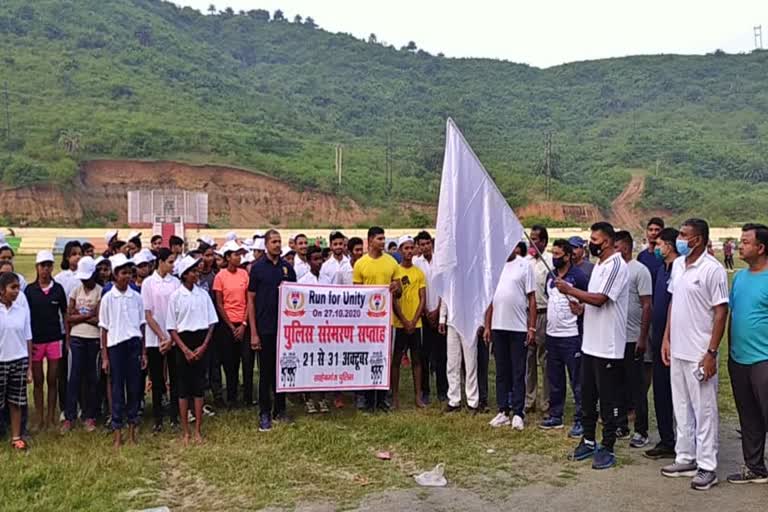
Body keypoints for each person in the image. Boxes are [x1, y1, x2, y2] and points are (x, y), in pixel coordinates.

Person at [661, 218, 728, 491]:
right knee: (682, 407)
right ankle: (685, 456)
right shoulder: (678, 265)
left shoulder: (713, 269)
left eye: (684, 235)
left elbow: (721, 311)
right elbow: (673, 303)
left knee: (705, 410)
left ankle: (707, 466)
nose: (680, 238)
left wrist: (711, 352)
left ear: (697, 239)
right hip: (677, 349)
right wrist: (666, 338)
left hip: (700, 352)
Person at [556, 221, 628, 470]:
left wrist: (571, 290)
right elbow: (593, 302)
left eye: (594, 240)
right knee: (587, 396)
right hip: (590, 343)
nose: (590, 243)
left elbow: (601, 299)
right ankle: (587, 440)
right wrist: (581, 308)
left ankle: (607, 446)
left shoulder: (617, 265)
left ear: (606, 241)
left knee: (606, 400)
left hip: (608, 345)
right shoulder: (599, 265)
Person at [727, 223, 768, 484]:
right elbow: (733, 315)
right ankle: (755, 468)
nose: (740, 246)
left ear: (761, 247)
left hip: (763, 360)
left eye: (746, 242)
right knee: (749, 415)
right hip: (738, 359)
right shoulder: (740, 277)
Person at [166, 255, 218, 445]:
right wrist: (185, 349)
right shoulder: (175, 296)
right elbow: (171, 327)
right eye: (194, 271)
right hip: (183, 342)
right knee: (183, 389)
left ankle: (197, 430)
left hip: (201, 340)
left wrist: (203, 346)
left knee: (198, 388)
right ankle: (186, 432)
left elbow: (212, 323)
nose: (197, 274)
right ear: (185, 275)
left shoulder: (203, 294)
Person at [248, 230, 297, 431]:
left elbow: (297, 297)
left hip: (285, 330)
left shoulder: (287, 268)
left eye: (279, 242)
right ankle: (265, 413)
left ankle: (280, 409)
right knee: (266, 373)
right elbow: (250, 300)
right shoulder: (257, 268)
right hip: (264, 328)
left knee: (282, 371)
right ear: (266, 244)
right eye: (274, 242)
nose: (277, 245)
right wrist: (253, 331)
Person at [484, 244, 536, 430]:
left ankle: (518, 413)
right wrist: (488, 326)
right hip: (498, 327)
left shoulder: (525, 266)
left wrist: (531, 327)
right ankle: (503, 411)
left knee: (518, 371)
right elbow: (490, 299)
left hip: (518, 328)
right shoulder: (494, 267)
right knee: (501, 371)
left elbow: (531, 299)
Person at [540, 239, 588, 436]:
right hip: (553, 335)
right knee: (555, 378)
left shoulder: (579, 276)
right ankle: (555, 415)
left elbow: (589, 299)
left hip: (572, 336)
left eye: (559, 255)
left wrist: (581, 309)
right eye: (553, 253)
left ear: (568, 256)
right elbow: (548, 295)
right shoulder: (550, 276)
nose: (554, 257)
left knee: (577, 380)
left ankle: (580, 419)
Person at [99, 254, 147, 448]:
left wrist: (143, 353)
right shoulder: (108, 298)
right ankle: (118, 433)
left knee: (134, 389)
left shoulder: (136, 297)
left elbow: (142, 325)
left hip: (133, 344)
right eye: (123, 273)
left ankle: (132, 432)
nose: (127, 276)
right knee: (117, 389)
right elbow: (104, 328)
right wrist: (104, 357)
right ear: (115, 275)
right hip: (116, 346)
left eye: (129, 273)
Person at [353, 227, 402, 412]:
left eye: (384, 238)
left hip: (385, 321)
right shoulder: (360, 264)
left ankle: (382, 398)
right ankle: (366, 398)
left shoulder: (391, 263)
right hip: (366, 322)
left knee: (383, 359)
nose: (383, 242)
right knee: (366, 358)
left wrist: (396, 289)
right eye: (380, 238)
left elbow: (399, 292)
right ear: (370, 240)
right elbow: (356, 293)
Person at [614, 231, 652, 448]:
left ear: (626, 247)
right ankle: (621, 424)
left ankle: (641, 430)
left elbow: (647, 305)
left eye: (616, 247)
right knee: (617, 384)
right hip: (615, 338)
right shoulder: (613, 270)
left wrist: (642, 337)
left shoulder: (639, 271)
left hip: (633, 338)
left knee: (637, 386)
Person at [644, 228, 679, 460]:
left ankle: (687, 442)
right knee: (661, 392)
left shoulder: (681, 270)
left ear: (669, 245)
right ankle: (667, 440)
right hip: (658, 341)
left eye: (659, 244)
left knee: (681, 396)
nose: (656, 248)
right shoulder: (660, 270)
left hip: (676, 342)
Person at [25, 251, 68, 431]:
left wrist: (67, 336)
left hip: (54, 339)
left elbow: (64, 313)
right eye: (43, 265)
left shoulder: (58, 289)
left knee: (52, 379)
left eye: (49, 265)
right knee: (38, 380)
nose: (46, 269)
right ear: (37, 267)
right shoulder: (29, 290)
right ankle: (39, 418)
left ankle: (50, 417)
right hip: (36, 341)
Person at [141, 248, 180, 432]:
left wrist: (171, 339)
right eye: (170, 262)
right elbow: (148, 315)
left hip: (173, 338)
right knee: (157, 380)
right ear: (161, 262)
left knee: (175, 377)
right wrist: (163, 337)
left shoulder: (176, 283)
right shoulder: (148, 283)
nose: (173, 266)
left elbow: (178, 312)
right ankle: (158, 418)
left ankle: (174, 416)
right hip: (154, 338)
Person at [62, 256, 101, 433]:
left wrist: (79, 315)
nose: (85, 281)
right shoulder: (76, 291)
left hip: (93, 339)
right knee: (74, 377)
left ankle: (89, 415)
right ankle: (69, 416)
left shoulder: (100, 292)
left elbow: (99, 319)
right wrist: (87, 315)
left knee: (91, 378)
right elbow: (68, 317)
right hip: (77, 338)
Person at [212, 241, 252, 409]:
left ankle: (249, 397)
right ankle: (232, 397)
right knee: (230, 363)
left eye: (240, 254)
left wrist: (243, 324)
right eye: (235, 255)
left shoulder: (244, 274)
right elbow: (219, 303)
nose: (239, 257)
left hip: (244, 322)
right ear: (228, 257)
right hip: (227, 325)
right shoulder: (220, 276)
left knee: (248, 362)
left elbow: (249, 299)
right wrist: (230, 326)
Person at [391, 236, 427, 410]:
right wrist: (404, 320)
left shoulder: (418, 273)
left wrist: (413, 320)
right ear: (400, 250)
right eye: (405, 248)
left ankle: (418, 397)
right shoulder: (395, 271)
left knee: (417, 360)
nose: (409, 251)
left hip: (416, 324)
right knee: (396, 360)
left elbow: (422, 299)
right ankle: (395, 397)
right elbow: (394, 299)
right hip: (399, 323)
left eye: (411, 248)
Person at [0, 271, 32, 451]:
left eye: (18, 287)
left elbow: (28, 337)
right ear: (2, 290)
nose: (17, 291)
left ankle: (16, 436)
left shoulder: (22, 311)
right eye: (13, 287)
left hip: (18, 360)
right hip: (1, 360)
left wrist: (27, 366)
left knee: (16, 401)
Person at [414, 231, 447, 404]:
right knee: (424, 355)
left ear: (432, 244)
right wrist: (425, 311)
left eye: (428, 243)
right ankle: (425, 391)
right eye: (422, 244)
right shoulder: (416, 263)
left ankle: (443, 390)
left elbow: (445, 287)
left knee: (442, 355)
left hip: (440, 313)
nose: (425, 246)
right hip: (423, 315)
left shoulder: (440, 262)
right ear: (418, 246)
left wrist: (438, 310)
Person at [298, 245, 331, 414]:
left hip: (325, 328)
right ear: (309, 261)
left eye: (321, 259)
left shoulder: (327, 279)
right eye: (315, 259)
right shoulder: (303, 281)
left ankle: (322, 397)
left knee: (323, 363)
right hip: (309, 329)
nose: (319, 262)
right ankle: (309, 397)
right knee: (309, 363)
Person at [525, 225, 552, 415]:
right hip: (526, 314)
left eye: (535, 238)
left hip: (544, 314)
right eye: (530, 238)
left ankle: (547, 402)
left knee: (545, 361)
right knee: (528, 358)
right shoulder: (525, 262)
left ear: (543, 242)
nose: (531, 241)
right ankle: (529, 399)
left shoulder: (550, 262)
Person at [196, 243, 223, 407]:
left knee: (215, 362)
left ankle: (218, 394)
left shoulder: (215, 276)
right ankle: (201, 397)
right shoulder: (192, 277)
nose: (209, 259)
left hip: (214, 325)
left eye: (211, 255)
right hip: (198, 326)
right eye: (206, 255)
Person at [637, 218, 665, 285]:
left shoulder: (665, 256)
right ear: (646, 232)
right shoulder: (641, 256)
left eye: (657, 230)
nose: (653, 233)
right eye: (650, 230)